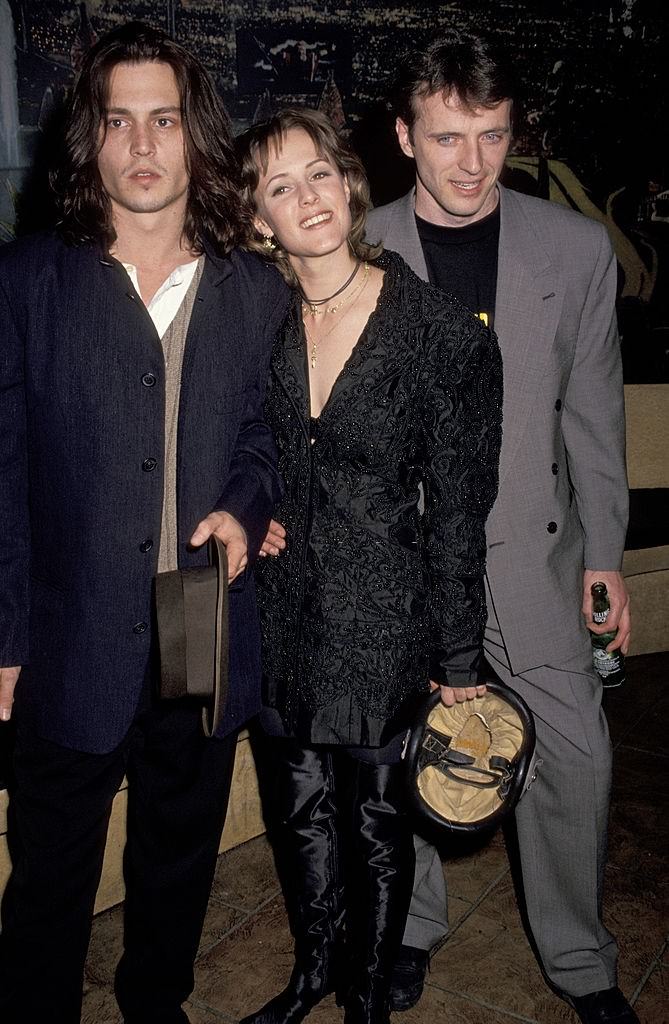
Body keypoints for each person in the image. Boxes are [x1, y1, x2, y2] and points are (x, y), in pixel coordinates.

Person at [0, 22, 287, 1024]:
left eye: (163, 119)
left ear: (193, 134)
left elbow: (264, 436)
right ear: (92, 138)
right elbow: (2, 473)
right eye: (119, 121)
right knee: (47, 874)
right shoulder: (28, 280)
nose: (143, 145)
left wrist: (245, 509)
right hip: (71, 633)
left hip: (199, 622)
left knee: (178, 860)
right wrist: (5, 638)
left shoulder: (254, 286)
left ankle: (154, 1005)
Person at [365, 30, 635, 1024]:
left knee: (578, 762)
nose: (472, 163)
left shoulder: (572, 249)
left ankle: (581, 958)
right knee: (406, 763)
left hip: (535, 553)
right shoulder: (349, 245)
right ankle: (410, 929)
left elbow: (593, 419)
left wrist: (603, 554)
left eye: (492, 135)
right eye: (447, 137)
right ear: (404, 135)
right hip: (395, 568)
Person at [236, 107, 503, 1024]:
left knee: (375, 827)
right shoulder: (257, 322)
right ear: (256, 214)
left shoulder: (436, 332)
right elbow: (224, 448)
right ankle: (313, 971)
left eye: (317, 173)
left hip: (383, 619)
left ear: (348, 183)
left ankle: (366, 1001)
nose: (305, 196)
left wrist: (460, 656)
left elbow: (462, 509)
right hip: (275, 613)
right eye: (279, 185)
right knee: (298, 811)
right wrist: (248, 508)